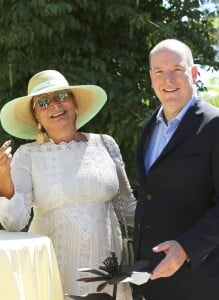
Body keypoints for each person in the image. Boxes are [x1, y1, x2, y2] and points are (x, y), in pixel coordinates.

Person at [0, 70, 136, 299]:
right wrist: (4, 179)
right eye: (43, 102)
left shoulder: (105, 144)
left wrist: (179, 219)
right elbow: (14, 222)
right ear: (37, 118)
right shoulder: (27, 154)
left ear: (74, 102)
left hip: (107, 276)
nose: (54, 105)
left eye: (61, 96)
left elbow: (129, 209)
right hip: (54, 276)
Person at [133, 39, 219, 300]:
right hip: (154, 281)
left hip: (205, 281)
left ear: (194, 73)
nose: (168, 79)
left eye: (177, 69)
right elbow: (152, 192)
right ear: (152, 78)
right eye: (160, 72)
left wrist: (186, 247)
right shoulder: (150, 127)